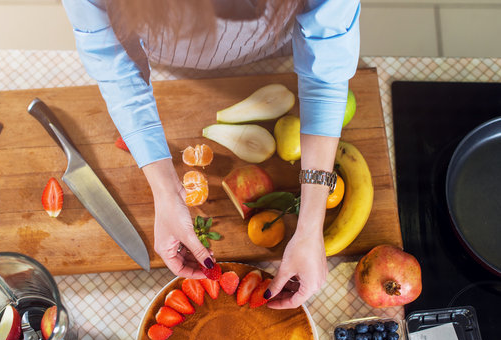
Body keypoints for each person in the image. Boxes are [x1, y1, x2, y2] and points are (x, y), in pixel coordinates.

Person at [62, 0, 360, 309]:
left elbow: (324, 75)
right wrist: (166, 192)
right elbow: (118, 70)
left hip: (272, 51)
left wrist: (311, 227)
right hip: (164, 55)